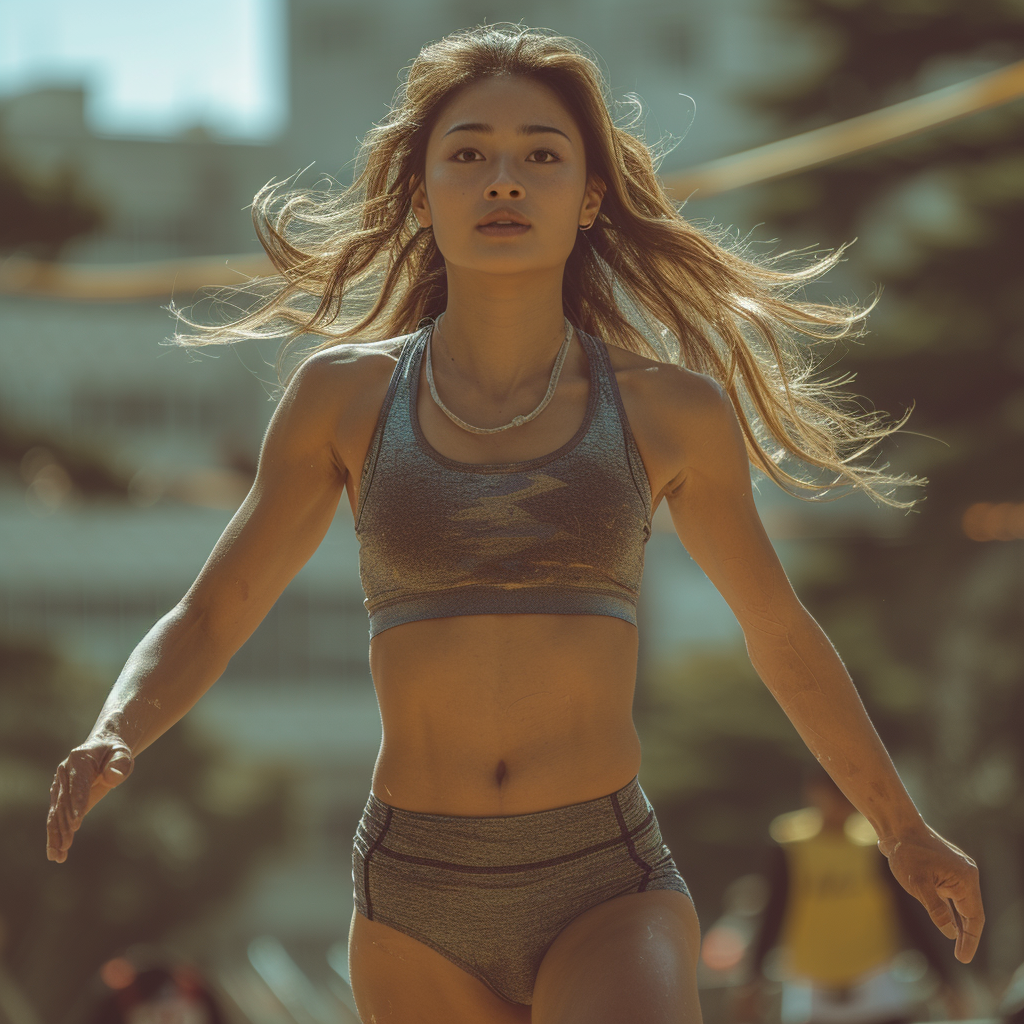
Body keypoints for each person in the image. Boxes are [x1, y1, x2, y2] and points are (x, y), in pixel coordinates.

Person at [46, 24, 984, 1024]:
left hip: (602, 879)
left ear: (587, 198)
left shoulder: (668, 409)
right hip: (412, 890)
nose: (504, 180)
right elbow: (215, 606)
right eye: (468, 154)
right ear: (420, 193)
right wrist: (118, 726)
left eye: (540, 154)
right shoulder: (343, 398)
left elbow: (778, 629)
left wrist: (899, 825)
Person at [733, 767, 968, 1024]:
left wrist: (945, 980)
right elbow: (774, 913)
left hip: (876, 985)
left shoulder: (877, 844)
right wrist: (752, 979)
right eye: (835, 790)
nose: (843, 799)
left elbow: (909, 915)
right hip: (811, 989)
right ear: (813, 791)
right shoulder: (789, 842)